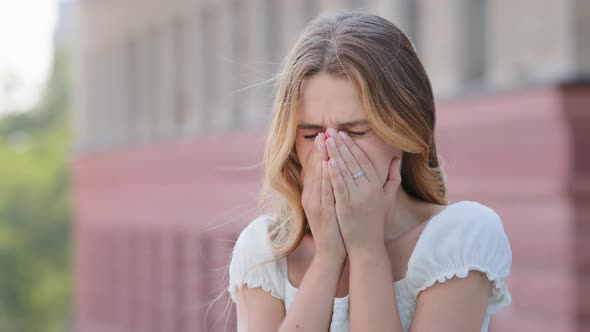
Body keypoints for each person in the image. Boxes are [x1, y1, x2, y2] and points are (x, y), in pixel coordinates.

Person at [226, 10, 512, 332]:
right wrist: (328, 256)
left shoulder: (458, 240)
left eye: (357, 132)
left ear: (407, 132)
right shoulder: (264, 253)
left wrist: (366, 250)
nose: (330, 151)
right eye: (310, 134)